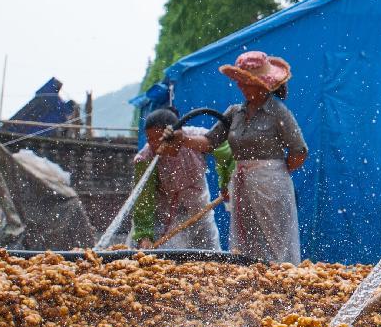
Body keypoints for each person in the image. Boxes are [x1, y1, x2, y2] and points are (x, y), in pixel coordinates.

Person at [164, 51, 307, 263]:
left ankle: (282, 281)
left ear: (261, 84)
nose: (241, 86)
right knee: (246, 239)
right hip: (242, 181)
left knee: (275, 239)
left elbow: (299, 151)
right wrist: (182, 137)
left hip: (271, 183)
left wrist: (272, 172)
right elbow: (209, 142)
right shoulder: (235, 112)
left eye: (246, 82)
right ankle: (249, 280)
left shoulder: (278, 113)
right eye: (239, 81)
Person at [130, 108, 226, 251]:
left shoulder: (196, 137)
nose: (154, 145)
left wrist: (226, 181)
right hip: (165, 221)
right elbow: (144, 201)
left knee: (212, 258)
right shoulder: (145, 158)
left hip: (200, 212)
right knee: (164, 263)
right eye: (150, 139)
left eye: (158, 139)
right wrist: (145, 236)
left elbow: (226, 150)